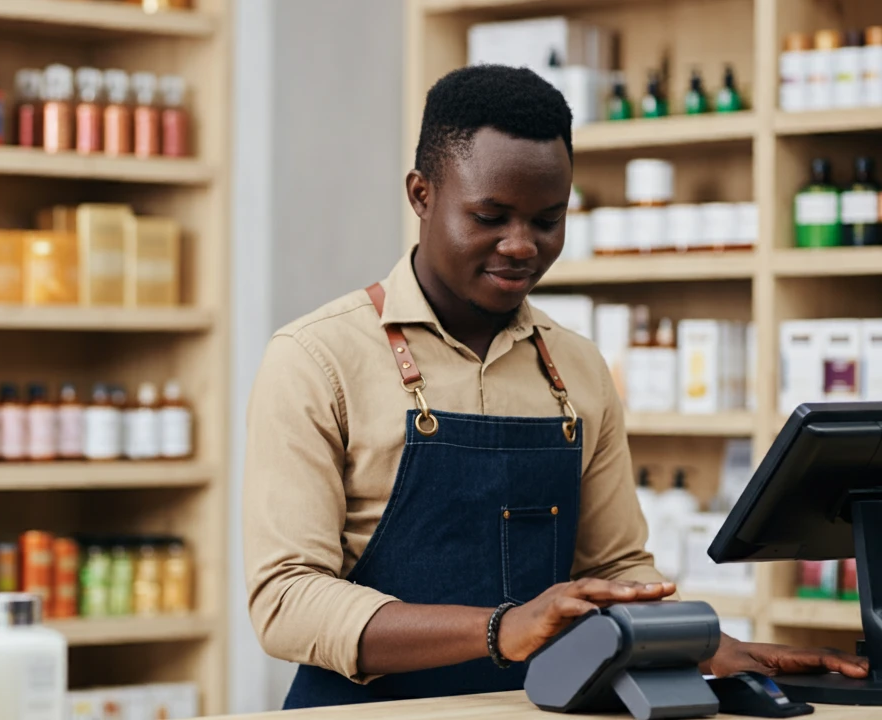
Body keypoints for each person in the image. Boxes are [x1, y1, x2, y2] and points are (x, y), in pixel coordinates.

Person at [242, 64, 869, 709]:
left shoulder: (578, 368)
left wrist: (707, 645)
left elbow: (619, 569)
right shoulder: (316, 359)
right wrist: (501, 629)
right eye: (489, 216)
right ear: (421, 195)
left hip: (537, 708)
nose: (521, 246)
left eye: (548, 220)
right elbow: (286, 600)